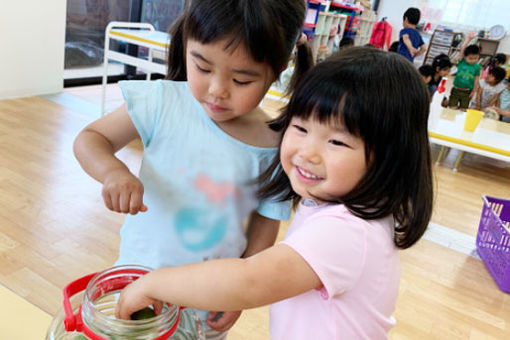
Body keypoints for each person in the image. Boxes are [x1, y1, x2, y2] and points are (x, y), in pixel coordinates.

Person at [115, 47, 433, 340]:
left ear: (390, 157)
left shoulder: (348, 232)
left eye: (336, 142)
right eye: (301, 128)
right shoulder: (337, 204)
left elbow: (248, 280)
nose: (307, 152)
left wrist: (153, 284)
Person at [73, 0, 312, 338]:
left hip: (206, 305)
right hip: (135, 286)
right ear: (187, 43)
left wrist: (240, 293)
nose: (217, 90)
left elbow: (264, 225)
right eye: (202, 67)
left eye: (242, 80)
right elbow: (90, 138)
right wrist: (113, 172)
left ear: (281, 67)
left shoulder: (275, 145)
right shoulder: (163, 102)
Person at [448, 33, 481, 110]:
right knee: (452, 108)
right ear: (465, 57)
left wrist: (474, 91)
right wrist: (468, 39)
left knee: (463, 109)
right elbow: (463, 48)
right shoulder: (461, 61)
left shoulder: (477, 67)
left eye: (476, 58)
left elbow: (476, 80)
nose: (473, 60)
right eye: (470, 58)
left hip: (467, 92)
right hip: (456, 89)